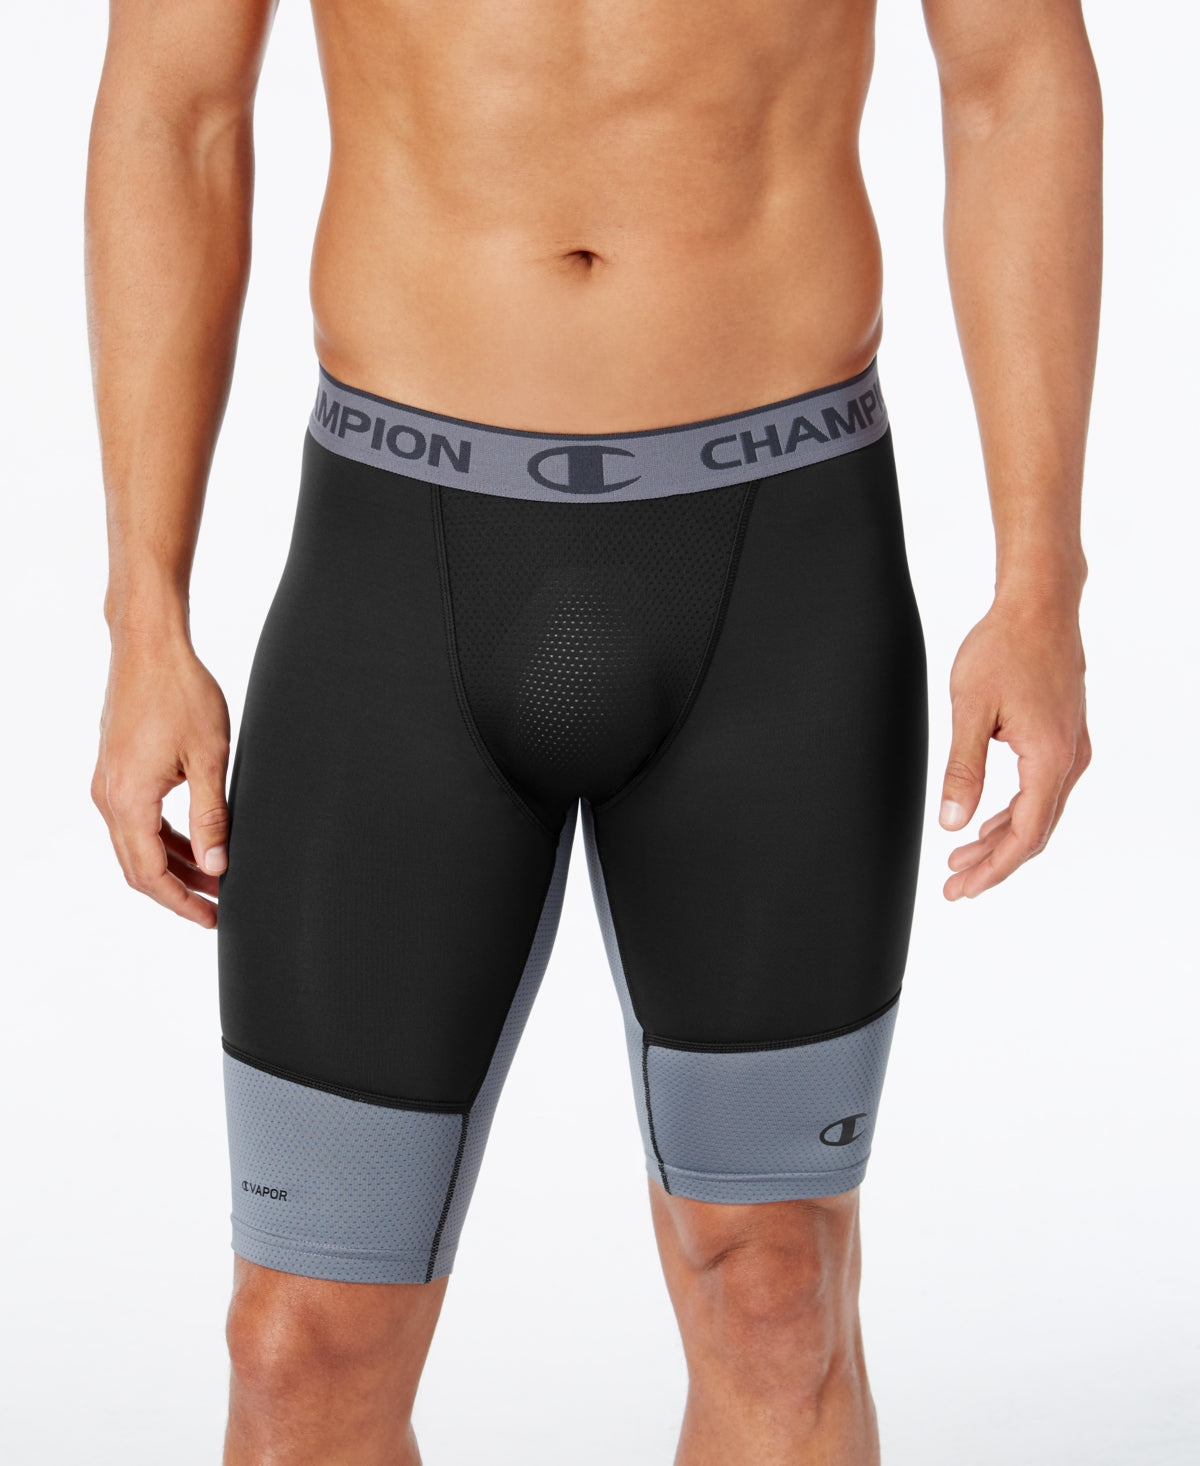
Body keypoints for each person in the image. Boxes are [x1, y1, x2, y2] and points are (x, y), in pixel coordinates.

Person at [85, 0, 1099, 1460]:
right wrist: (145, 615)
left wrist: (1039, 579)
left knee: (775, 1292)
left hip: (782, 560)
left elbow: (1013, 82)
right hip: (397, 564)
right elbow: (173, 111)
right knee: (301, 1344)